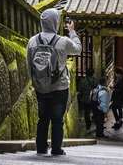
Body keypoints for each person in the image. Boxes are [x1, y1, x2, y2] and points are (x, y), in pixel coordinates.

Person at [26, 9, 82, 156]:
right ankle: (56, 149)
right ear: (56, 22)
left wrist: (37, 82)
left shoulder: (32, 41)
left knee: (42, 118)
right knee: (57, 119)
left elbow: (29, 65)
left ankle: (41, 148)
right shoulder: (62, 41)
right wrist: (72, 31)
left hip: (40, 87)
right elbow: (78, 49)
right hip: (60, 86)